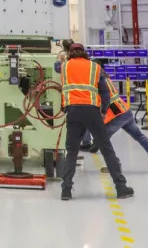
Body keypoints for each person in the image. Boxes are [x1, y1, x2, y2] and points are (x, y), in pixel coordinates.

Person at [59, 44, 134, 201]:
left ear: (70, 53)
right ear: (85, 53)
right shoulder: (95, 67)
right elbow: (105, 92)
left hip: (72, 112)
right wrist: (103, 112)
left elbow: (60, 77)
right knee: (106, 149)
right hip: (92, 111)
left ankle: (66, 190)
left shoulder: (64, 66)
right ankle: (121, 187)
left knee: (71, 151)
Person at [98, 74, 148, 174]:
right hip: (125, 110)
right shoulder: (106, 78)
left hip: (116, 114)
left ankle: (115, 165)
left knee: (102, 139)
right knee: (140, 137)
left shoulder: (97, 80)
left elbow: (103, 99)